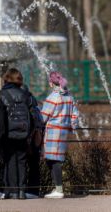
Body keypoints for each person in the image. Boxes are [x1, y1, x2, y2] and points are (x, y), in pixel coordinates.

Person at [0, 68, 39, 199]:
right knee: (22, 161)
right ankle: (22, 191)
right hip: (23, 132)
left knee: (10, 160)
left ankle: (13, 191)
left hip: (8, 133)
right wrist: (30, 132)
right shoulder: (27, 95)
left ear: (7, 79)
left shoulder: (2, 94)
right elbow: (33, 115)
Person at [41, 71, 79, 199]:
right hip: (63, 131)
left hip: (53, 131)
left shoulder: (53, 97)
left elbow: (43, 117)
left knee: (53, 160)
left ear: (51, 83)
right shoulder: (69, 96)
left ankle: (58, 189)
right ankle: (57, 188)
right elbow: (75, 114)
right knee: (56, 159)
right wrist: (72, 126)